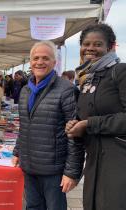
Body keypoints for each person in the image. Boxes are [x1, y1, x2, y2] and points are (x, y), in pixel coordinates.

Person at [12, 41, 84, 210]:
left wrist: (71, 173)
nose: (40, 62)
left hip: (53, 170)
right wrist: (17, 151)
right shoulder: (25, 90)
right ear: (30, 62)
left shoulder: (66, 90)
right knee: (33, 207)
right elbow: (24, 126)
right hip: (29, 166)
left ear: (54, 62)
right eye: (36, 58)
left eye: (45, 58)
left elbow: (75, 135)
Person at [65, 23, 126, 210]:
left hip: (118, 163)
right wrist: (75, 126)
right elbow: (84, 118)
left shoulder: (121, 72)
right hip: (93, 164)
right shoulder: (86, 79)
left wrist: (89, 124)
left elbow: (91, 122)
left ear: (110, 47)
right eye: (86, 44)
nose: (90, 48)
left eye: (97, 44)